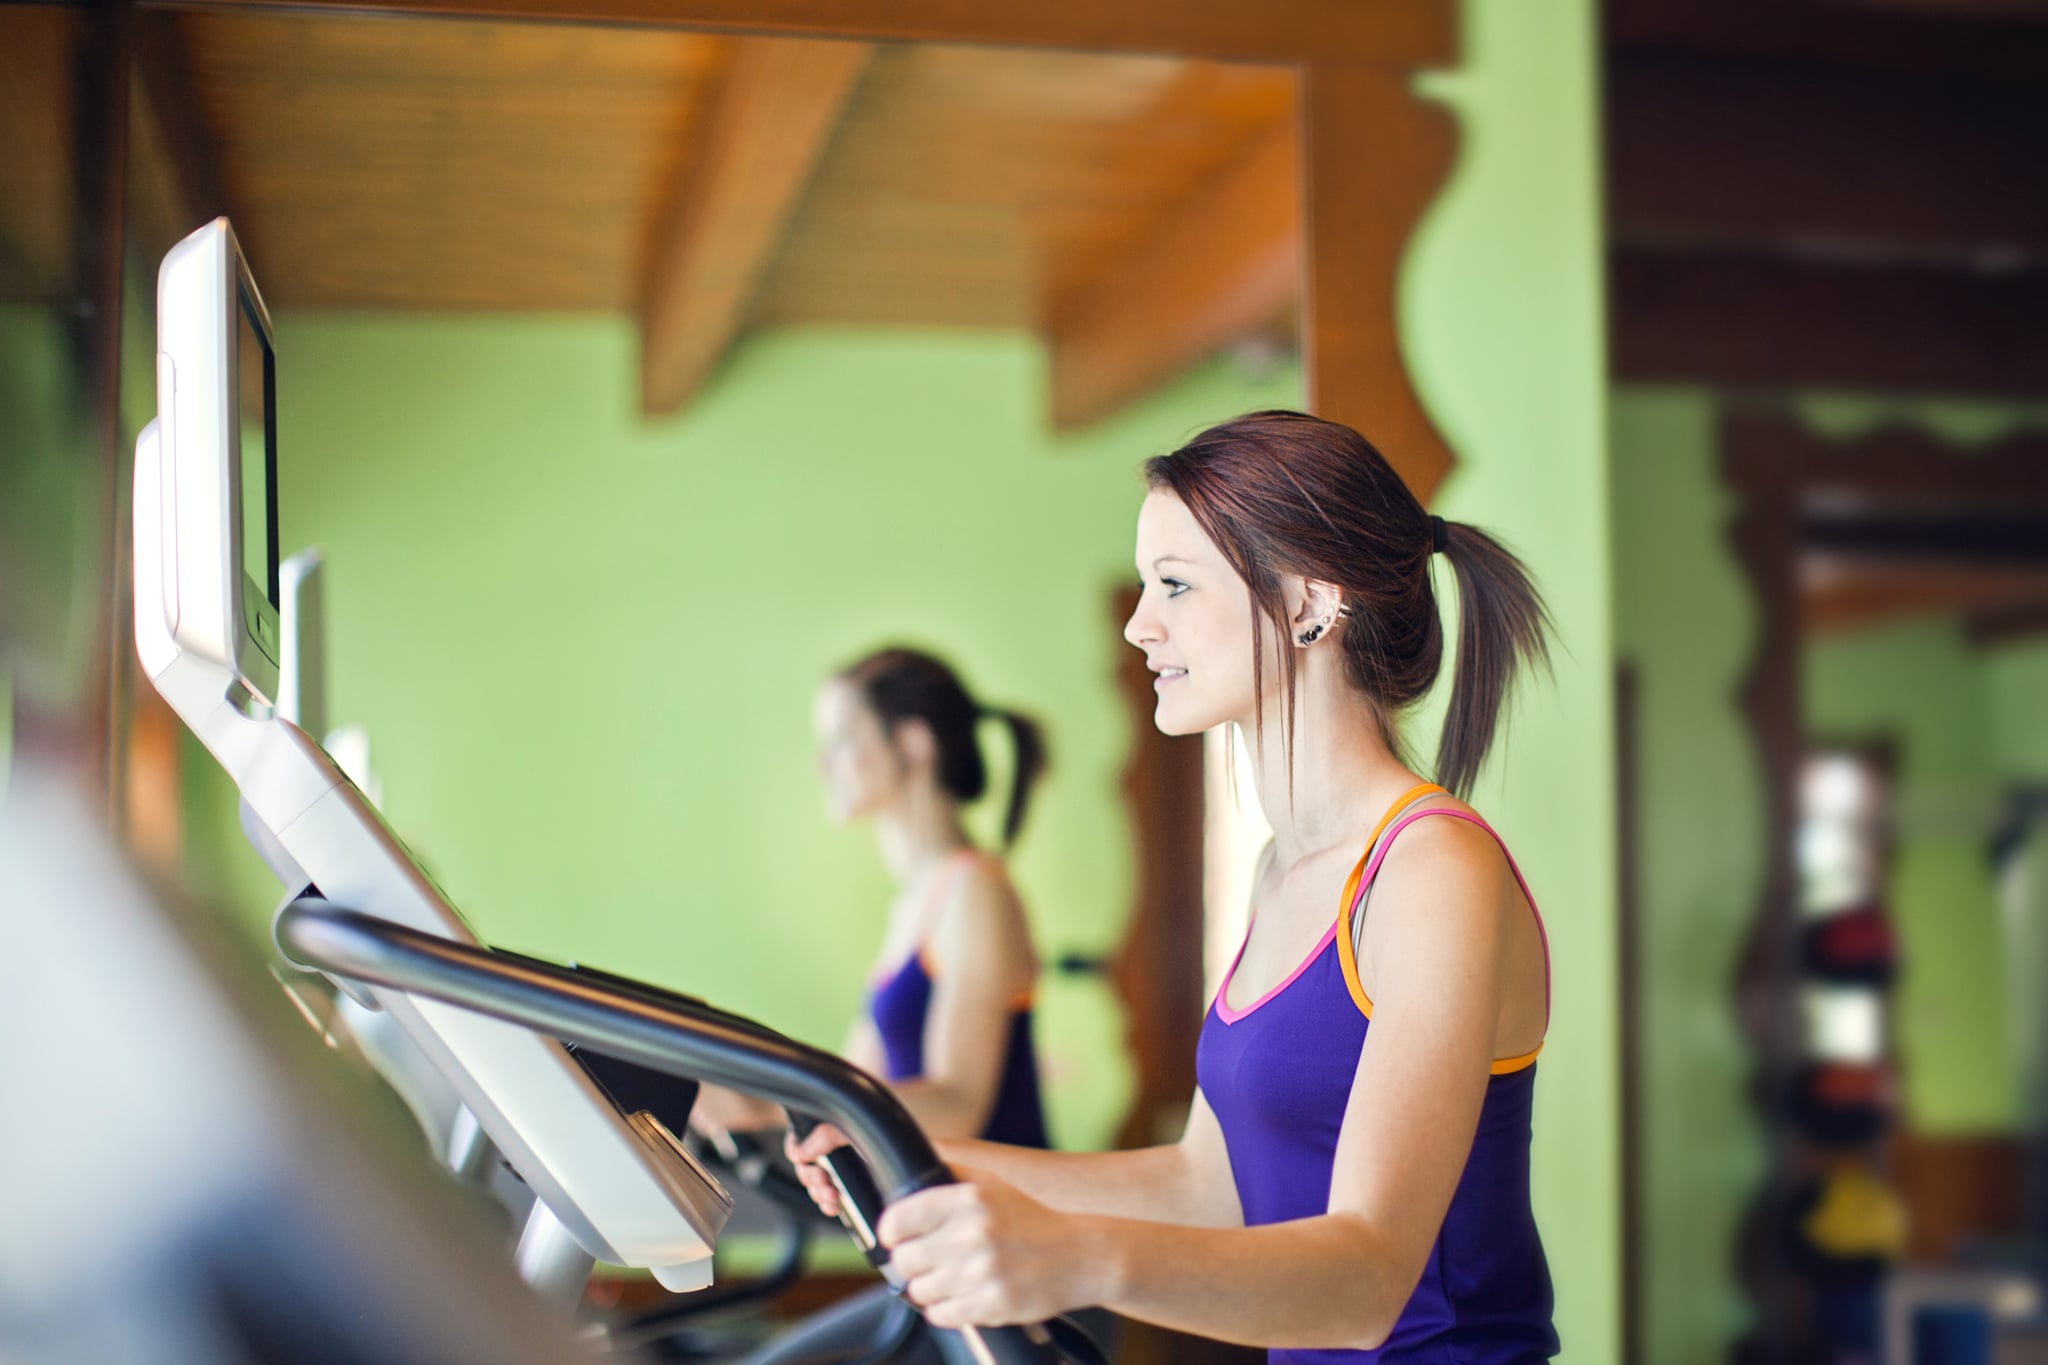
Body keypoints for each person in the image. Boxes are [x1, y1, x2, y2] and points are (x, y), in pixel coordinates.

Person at [793, 411, 1561, 1362]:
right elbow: (1209, 1184)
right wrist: (913, 1152)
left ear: (1311, 607)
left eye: (1175, 585)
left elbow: (1367, 1279)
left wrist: (1078, 1257)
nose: (1138, 622)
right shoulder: (1285, 870)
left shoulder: (1432, 869)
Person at [694, 647, 1052, 1365]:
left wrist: (766, 1104)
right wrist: (738, 1092)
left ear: (911, 743)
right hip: (941, 1253)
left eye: (841, 741)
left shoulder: (973, 889)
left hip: (1016, 1266)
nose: (821, 764)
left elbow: (956, 1101)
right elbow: (848, 1081)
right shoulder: (915, 903)